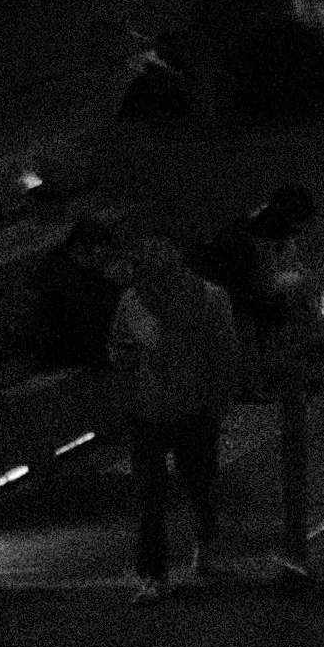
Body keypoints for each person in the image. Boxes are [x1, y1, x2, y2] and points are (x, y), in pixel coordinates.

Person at [108, 226, 243, 597]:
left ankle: (192, 554)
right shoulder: (137, 301)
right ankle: (160, 570)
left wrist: (218, 403)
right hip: (160, 408)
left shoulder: (201, 300)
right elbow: (118, 347)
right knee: (159, 496)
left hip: (183, 408)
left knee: (194, 487)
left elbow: (224, 355)